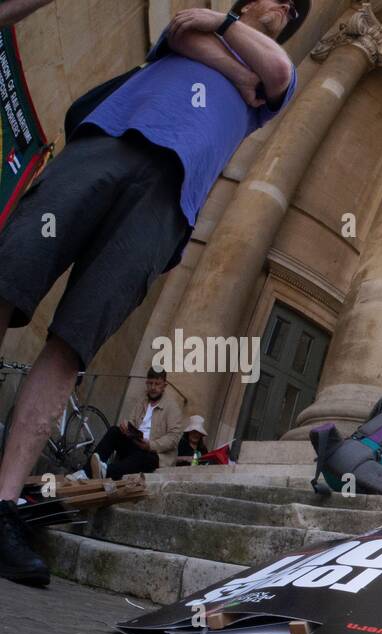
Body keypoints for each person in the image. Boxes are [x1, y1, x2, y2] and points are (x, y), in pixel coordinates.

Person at [0, 0, 304, 586]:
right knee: (9, 276)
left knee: (73, 343)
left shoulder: (278, 76)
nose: (287, 7)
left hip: (169, 200)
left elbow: (280, 75)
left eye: (296, 10)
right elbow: (182, 28)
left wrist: (226, 47)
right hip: (111, 141)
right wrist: (236, 67)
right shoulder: (219, 26)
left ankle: (6, 503)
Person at [85, 366, 180, 479]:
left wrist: (150, 445)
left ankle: (105, 471)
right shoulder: (142, 402)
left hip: (155, 454)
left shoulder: (172, 407)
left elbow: (173, 438)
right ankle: (85, 473)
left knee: (143, 456)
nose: (153, 387)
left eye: (157, 384)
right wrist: (126, 427)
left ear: (164, 386)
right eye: (150, 383)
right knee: (114, 431)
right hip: (136, 445)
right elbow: (132, 422)